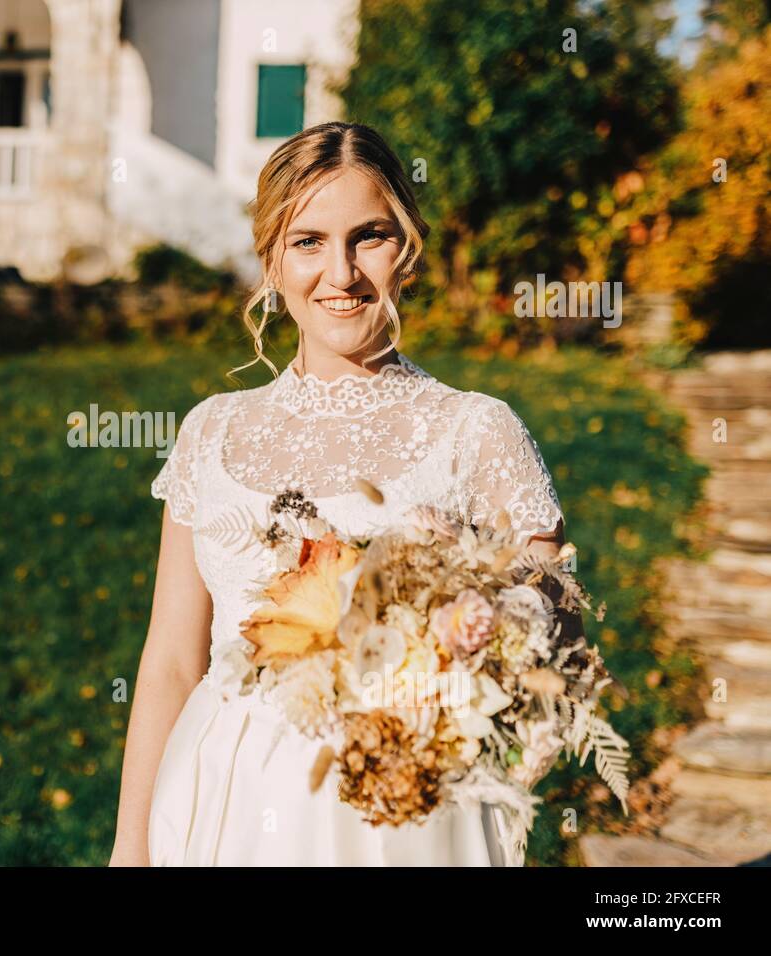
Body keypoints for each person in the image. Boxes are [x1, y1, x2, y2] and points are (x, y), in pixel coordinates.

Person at [109, 121, 575, 866]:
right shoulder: (211, 432)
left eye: (370, 237)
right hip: (221, 806)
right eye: (308, 242)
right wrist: (130, 848)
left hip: (399, 815)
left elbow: (553, 632)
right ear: (270, 259)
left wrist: (480, 625)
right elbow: (169, 661)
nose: (341, 273)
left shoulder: (476, 431)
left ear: (408, 249)